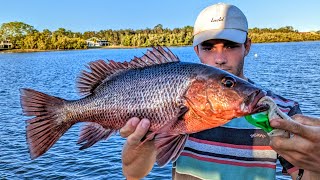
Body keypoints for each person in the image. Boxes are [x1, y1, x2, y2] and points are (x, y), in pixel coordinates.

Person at [120, 3, 319, 179]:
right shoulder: (167, 104)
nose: (220, 58)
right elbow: (133, 174)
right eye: (208, 47)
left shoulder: (280, 112)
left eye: (231, 46)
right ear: (196, 50)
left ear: (247, 46)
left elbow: (304, 175)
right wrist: (144, 139)